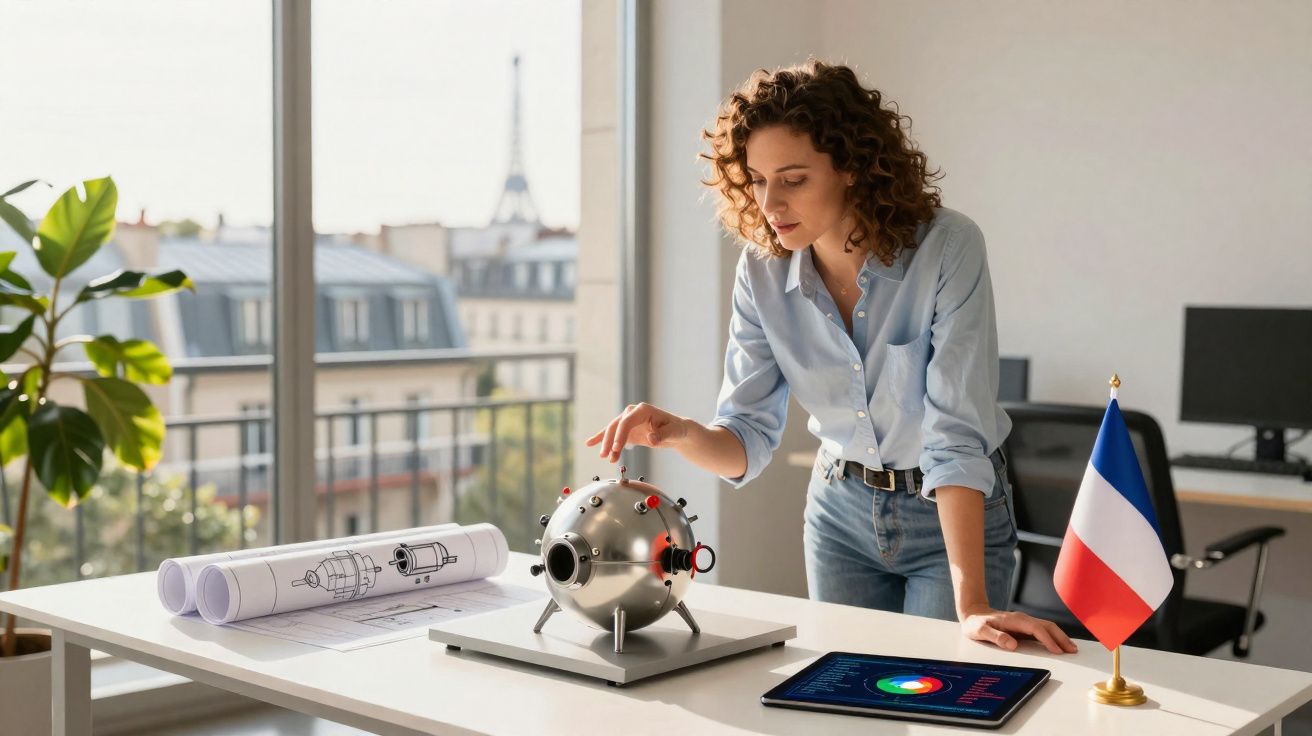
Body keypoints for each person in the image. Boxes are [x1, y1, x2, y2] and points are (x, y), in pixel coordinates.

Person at [586, 60, 1076, 655]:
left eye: (793, 179)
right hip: (839, 512)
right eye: (758, 180)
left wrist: (971, 604)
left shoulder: (947, 247)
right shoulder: (762, 272)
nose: (770, 203)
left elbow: (955, 436)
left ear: (851, 166)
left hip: (947, 511)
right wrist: (682, 432)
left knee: (936, 689)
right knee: (845, 690)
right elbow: (746, 438)